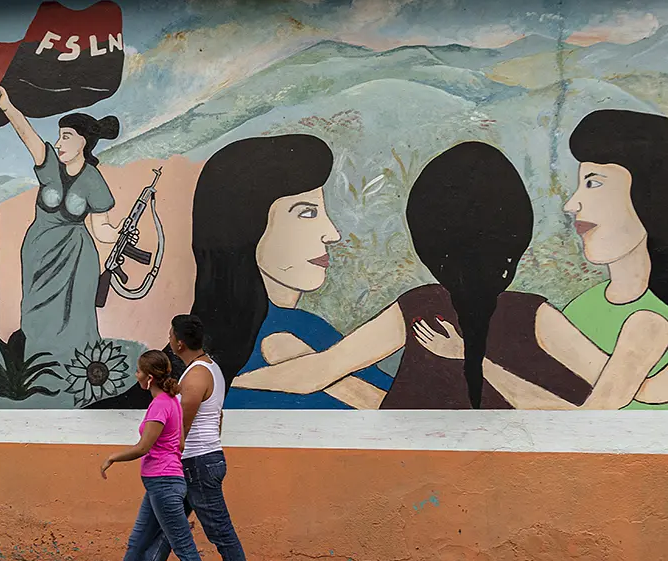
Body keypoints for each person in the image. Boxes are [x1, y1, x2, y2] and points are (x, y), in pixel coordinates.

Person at [233, 142, 593, 409]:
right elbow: (319, 372)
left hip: (418, 474)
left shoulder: (427, 308)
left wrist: (471, 358)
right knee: (289, 351)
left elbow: (596, 406)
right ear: (517, 233)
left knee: (292, 353)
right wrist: (231, 383)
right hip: (417, 467)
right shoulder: (428, 308)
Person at [85, 134, 392, 410]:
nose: (332, 232)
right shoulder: (278, 335)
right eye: (307, 213)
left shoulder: (300, 328)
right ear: (246, 228)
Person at [416, 110, 668, 409]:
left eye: (593, 183)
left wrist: (473, 360)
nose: (571, 204)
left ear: (652, 196)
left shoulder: (649, 321)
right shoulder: (580, 309)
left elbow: (591, 418)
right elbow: (571, 412)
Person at [105, 315, 260, 561]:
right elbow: (218, 418)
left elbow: (179, 429)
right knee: (168, 525)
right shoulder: (209, 369)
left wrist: (164, 459)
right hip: (198, 460)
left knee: (220, 532)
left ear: (178, 342)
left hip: (196, 464)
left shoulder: (196, 376)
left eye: (170, 335)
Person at [0, 84, 123, 361]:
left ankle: (75, 367)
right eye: (59, 137)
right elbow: (26, 133)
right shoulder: (48, 163)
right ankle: (37, 365)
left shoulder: (93, 180)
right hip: (39, 251)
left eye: (66, 137)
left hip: (76, 257)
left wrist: (122, 234)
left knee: (76, 316)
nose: (59, 143)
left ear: (83, 142)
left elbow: (102, 229)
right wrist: (5, 104)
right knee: (34, 311)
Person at [77, 350, 215, 561]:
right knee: (137, 542)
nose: (135, 375)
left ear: (149, 378)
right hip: (160, 484)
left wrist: (112, 457)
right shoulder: (173, 400)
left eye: (138, 371)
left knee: (184, 546)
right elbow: (181, 442)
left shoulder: (161, 405)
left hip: (163, 484)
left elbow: (144, 447)